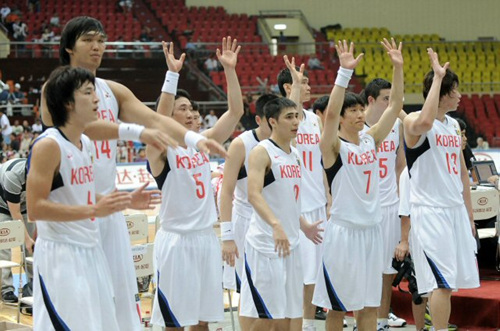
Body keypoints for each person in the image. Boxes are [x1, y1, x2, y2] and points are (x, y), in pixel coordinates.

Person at [40, 16, 225, 331]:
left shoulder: (111, 90)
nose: (97, 46)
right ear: (69, 47)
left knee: (121, 299)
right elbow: (80, 128)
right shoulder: (55, 90)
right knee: (74, 306)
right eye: (88, 40)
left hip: (108, 208)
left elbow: (156, 120)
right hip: (71, 211)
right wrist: (134, 132)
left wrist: (195, 138)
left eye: (101, 39)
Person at [27, 65, 132, 330]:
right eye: (88, 93)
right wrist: (92, 210)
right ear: (67, 103)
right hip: (60, 255)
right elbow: (35, 208)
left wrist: (123, 201)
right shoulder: (48, 145)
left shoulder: (84, 143)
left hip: (90, 249)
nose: (97, 99)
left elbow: (79, 193)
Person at [147, 36, 242, 329]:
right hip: (176, 242)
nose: (191, 114)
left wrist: (229, 70)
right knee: (174, 322)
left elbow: (236, 112)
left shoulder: (203, 142)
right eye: (183, 108)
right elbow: (157, 120)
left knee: (203, 322)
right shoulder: (160, 146)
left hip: (204, 240)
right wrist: (172, 75)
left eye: (193, 109)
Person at [312, 38, 404, 331]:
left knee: (369, 306)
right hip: (343, 233)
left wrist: (398, 69)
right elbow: (329, 113)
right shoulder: (332, 146)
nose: (359, 114)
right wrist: (343, 73)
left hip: (371, 232)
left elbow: (397, 105)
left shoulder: (371, 138)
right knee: (338, 307)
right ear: (339, 118)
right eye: (351, 111)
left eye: (360, 109)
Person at [403, 48, 480, 331]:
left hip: (454, 212)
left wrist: (469, 216)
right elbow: (425, 120)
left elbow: (461, 174)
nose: (460, 95)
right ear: (443, 92)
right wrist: (437, 76)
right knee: (441, 283)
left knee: (450, 283)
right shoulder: (415, 122)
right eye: (455, 90)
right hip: (430, 212)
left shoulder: (452, 127)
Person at [239, 97, 323, 331]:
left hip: (291, 244)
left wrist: (303, 225)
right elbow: (253, 194)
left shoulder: (294, 154)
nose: (296, 122)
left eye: (297, 116)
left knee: (290, 315)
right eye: (289, 117)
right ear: (272, 122)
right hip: (266, 246)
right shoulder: (261, 152)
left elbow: (288, 200)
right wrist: (276, 225)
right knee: (266, 316)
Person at [278, 56, 329, 327]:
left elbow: (322, 162)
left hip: (317, 201)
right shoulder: (283, 119)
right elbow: (292, 118)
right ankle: (293, 322)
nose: (309, 86)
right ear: (289, 87)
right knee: (296, 273)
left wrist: (329, 197)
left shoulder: (315, 121)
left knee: (314, 272)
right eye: (302, 82)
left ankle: (307, 323)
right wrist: (296, 90)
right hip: (294, 207)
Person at [361, 77, 407, 330]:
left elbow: (400, 166)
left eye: (393, 98)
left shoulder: (397, 124)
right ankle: (361, 318)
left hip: (390, 205)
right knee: (364, 267)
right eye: (386, 99)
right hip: (365, 208)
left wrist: (402, 204)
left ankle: (382, 317)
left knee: (387, 269)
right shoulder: (355, 126)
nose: (391, 104)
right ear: (371, 100)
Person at [219, 93, 276, 294]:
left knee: (277, 288)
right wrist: (227, 235)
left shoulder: (287, 144)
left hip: (276, 222)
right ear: (259, 120)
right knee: (249, 291)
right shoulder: (241, 144)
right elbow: (225, 191)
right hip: (247, 221)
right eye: (271, 121)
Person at [0, 158, 35, 305]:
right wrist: (27, 240)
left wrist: (35, 235)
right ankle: (6, 289)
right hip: (3, 205)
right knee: (4, 246)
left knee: (33, 247)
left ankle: (33, 285)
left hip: (27, 205)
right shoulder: (13, 175)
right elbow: (15, 215)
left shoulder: (46, 174)